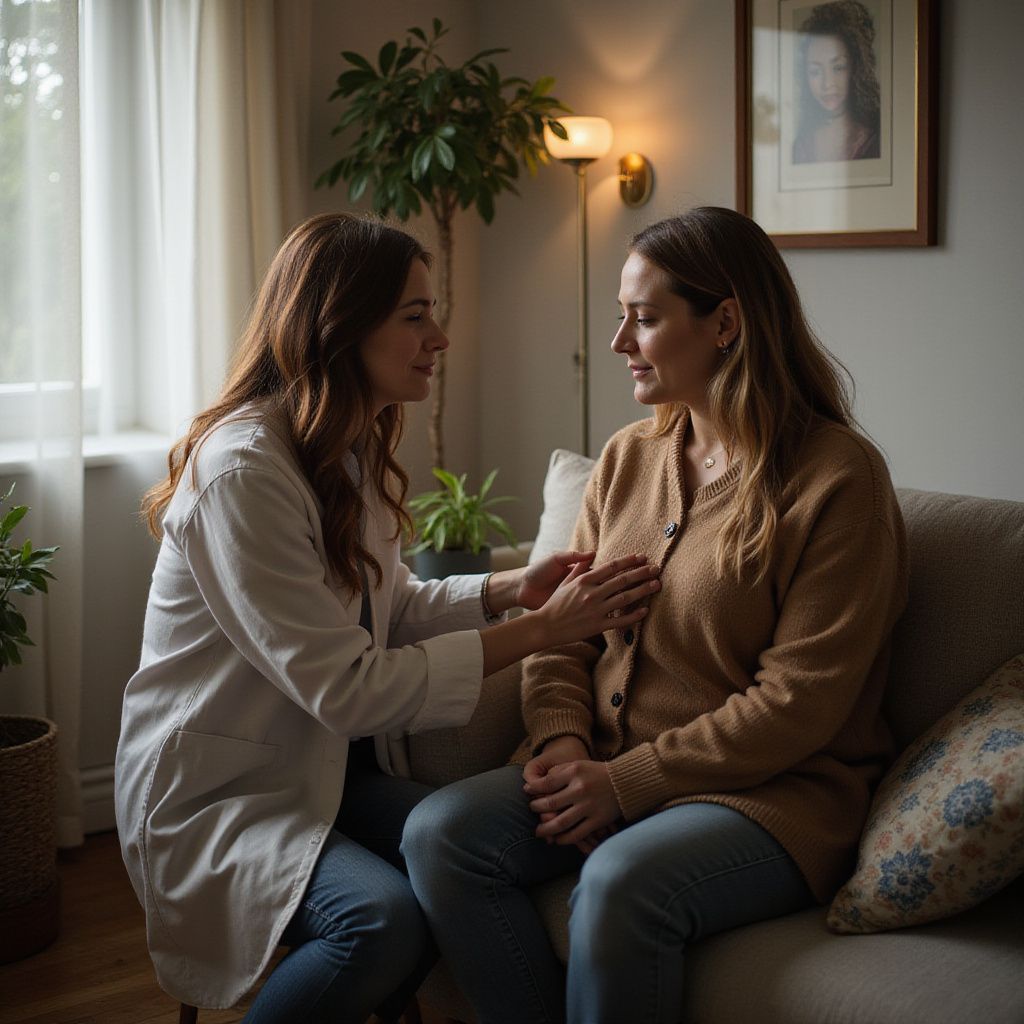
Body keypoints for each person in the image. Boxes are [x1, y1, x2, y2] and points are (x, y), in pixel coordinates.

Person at [113, 213, 660, 1024]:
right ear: (340, 327)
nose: (440, 337)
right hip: (220, 793)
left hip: (320, 773)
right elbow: (347, 690)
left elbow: (389, 605)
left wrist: (514, 589)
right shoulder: (244, 473)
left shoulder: (343, 444)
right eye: (415, 315)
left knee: (470, 852)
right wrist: (544, 631)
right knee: (379, 922)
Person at [402, 206, 909, 1024]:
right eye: (621, 316)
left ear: (725, 324)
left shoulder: (837, 478)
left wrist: (627, 783)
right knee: (439, 835)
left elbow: (801, 701)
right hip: (600, 763)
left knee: (618, 883)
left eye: (643, 318)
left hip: (769, 796)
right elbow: (565, 631)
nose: (618, 342)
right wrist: (565, 742)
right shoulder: (627, 459)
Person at [792, 0, 881, 164]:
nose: (827, 84)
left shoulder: (874, 141)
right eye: (815, 72)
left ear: (856, 67)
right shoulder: (801, 145)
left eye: (838, 68)